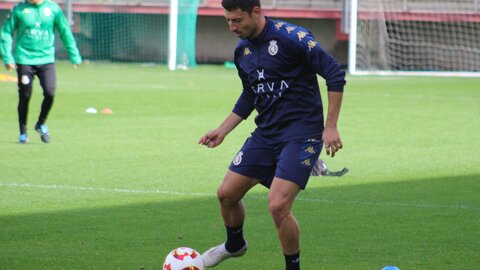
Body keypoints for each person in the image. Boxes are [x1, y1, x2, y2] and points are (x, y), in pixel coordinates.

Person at [198, 0, 346, 269]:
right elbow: (250, 95)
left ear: (256, 12)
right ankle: (234, 246)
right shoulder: (242, 51)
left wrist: (331, 126)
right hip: (267, 133)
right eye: (227, 21)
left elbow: (335, 73)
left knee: (277, 205)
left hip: (302, 134)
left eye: (237, 20)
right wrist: (222, 130)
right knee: (226, 194)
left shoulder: (293, 38)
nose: (232, 27)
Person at [1, 0, 82, 144]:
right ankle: (23, 132)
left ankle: (40, 123)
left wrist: (74, 54)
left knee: (50, 93)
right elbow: (6, 32)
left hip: (46, 60)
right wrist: (7, 57)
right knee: (25, 95)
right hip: (24, 59)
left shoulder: (53, 9)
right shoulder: (20, 10)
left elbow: (64, 30)